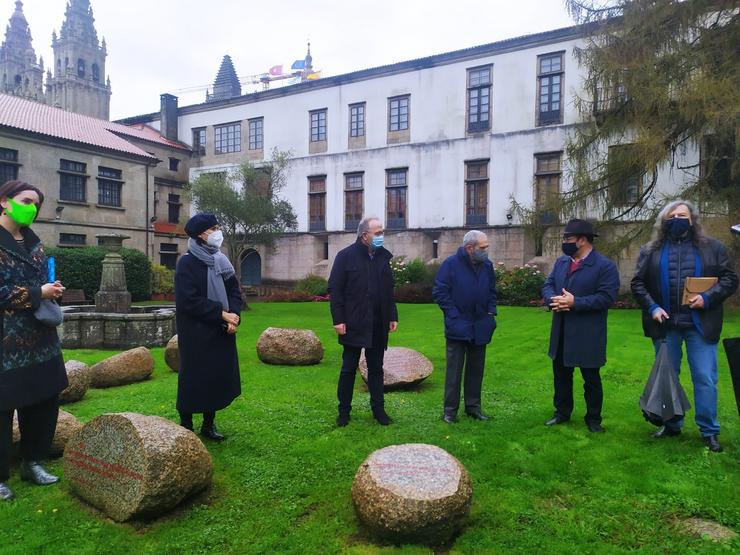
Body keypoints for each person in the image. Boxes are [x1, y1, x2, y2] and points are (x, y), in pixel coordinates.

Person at [631, 200, 738, 452]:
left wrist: (708, 297)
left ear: (692, 219)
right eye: (672, 215)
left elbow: (730, 279)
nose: (677, 219)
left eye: (682, 215)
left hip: (700, 325)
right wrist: (653, 308)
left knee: (705, 378)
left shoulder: (713, 248)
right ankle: (671, 424)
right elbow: (638, 283)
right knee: (669, 378)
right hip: (666, 326)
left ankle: (709, 430)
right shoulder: (650, 250)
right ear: (664, 220)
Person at [0, 180, 68, 501]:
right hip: (6, 342)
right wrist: (39, 293)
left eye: (37, 204)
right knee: (3, 406)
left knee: (43, 399)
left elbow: (39, 283)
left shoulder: (34, 242)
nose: (33, 207)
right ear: (4, 201)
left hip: (41, 338)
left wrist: (50, 288)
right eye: (27, 200)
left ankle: (33, 461)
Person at [542, 218, 620, 433]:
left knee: (591, 378)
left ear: (583, 240)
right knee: (561, 375)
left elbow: (606, 298)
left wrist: (575, 302)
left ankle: (593, 419)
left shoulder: (604, 266)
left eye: (568, 238)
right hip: (562, 330)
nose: (564, 242)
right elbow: (548, 285)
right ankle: (562, 413)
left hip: (588, 333)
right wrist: (553, 300)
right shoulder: (561, 262)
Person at [175, 213, 243, 441]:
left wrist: (234, 315)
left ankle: (208, 424)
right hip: (196, 332)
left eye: (217, 227)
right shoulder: (186, 263)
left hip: (220, 330)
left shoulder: (221, 260)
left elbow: (234, 290)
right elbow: (189, 300)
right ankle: (186, 424)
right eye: (212, 228)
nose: (217, 232)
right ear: (200, 234)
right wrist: (222, 314)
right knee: (193, 378)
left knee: (215, 377)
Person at [328, 216, 398, 427]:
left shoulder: (383, 257)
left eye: (382, 232)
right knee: (348, 368)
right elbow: (335, 289)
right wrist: (338, 319)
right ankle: (344, 412)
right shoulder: (345, 256)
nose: (381, 236)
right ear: (364, 235)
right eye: (377, 233)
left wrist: (392, 315)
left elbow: (388, 289)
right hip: (353, 322)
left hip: (378, 323)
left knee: (376, 369)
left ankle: (379, 410)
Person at [433, 230, 497, 423]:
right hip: (458, 326)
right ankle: (450, 411)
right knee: (454, 371)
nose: (486, 250)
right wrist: (453, 315)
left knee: (476, 370)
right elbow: (440, 292)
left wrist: (490, 313)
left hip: (480, 325)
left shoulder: (487, 266)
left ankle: (473, 408)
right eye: (483, 247)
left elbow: (492, 291)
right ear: (470, 248)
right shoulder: (451, 264)